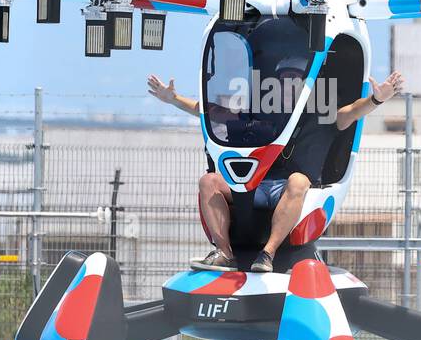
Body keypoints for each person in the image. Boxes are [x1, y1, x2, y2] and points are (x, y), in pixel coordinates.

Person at [148, 66, 404, 273]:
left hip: (289, 189)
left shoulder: (321, 115)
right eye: (283, 81)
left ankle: (267, 254)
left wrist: (377, 98)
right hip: (255, 185)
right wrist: (173, 100)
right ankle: (224, 253)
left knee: (298, 180)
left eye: (295, 80)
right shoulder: (261, 112)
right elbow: (211, 113)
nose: (288, 86)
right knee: (209, 181)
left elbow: (353, 111)